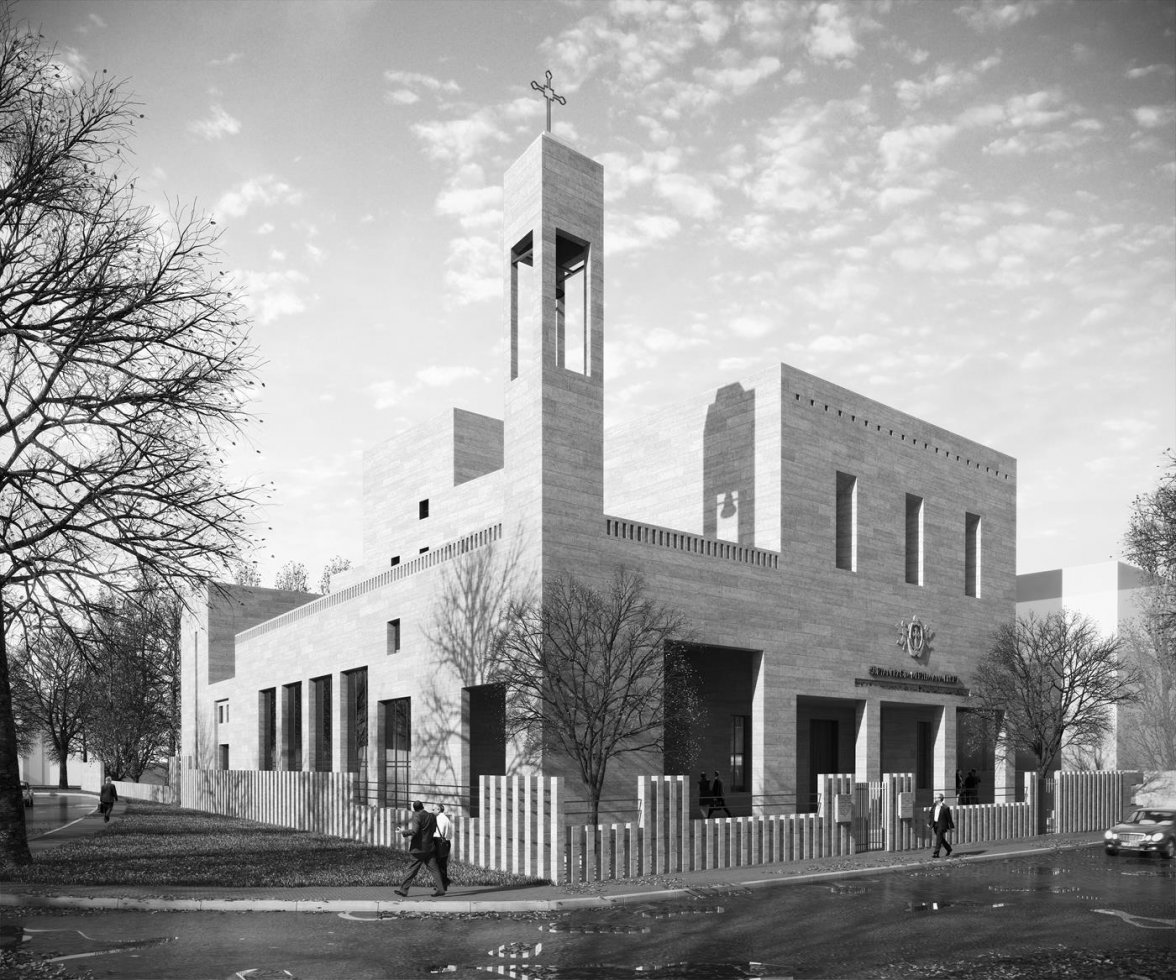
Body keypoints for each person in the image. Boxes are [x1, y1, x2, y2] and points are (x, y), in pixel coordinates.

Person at [394, 801, 445, 897]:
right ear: (423, 806)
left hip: (419, 849)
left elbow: (414, 831)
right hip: (429, 848)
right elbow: (433, 830)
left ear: (414, 809)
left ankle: (403, 890)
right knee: (434, 869)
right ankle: (441, 889)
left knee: (412, 869)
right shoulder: (431, 816)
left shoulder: (417, 816)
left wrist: (402, 831)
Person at [432, 803, 452, 892]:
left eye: (433, 809)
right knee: (442, 865)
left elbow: (438, 833)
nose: (432, 811)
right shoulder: (446, 818)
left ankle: (444, 883)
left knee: (438, 865)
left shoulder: (439, 819)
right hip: (446, 843)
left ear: (438, 810)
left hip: (440, 843)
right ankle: (443, 885)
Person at [929, 793, 954, 857]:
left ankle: (936, 853)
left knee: (938, 838)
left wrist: (951, 826)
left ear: (941, 799)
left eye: (937, 798)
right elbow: (931, 814)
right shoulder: (934, 805)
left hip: (942, 825)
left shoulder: (945, 808)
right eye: (935, 797)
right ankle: (949, 849)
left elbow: (949, 818)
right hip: (935, 824)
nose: (935, 799)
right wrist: (929, 823)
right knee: (940, 838)